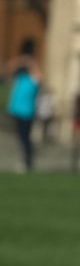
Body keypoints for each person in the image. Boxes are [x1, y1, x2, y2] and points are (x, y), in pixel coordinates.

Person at [5, 38, 41, 172]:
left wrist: (29, 61)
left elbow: (37, 74)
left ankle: (28, 160)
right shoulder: (20, 77)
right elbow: (8, 67)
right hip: (17, 109)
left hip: (27, 111)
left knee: (25, 136)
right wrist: (22, 59)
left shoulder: (33, 77)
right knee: (21, 137)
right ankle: (26, 159)